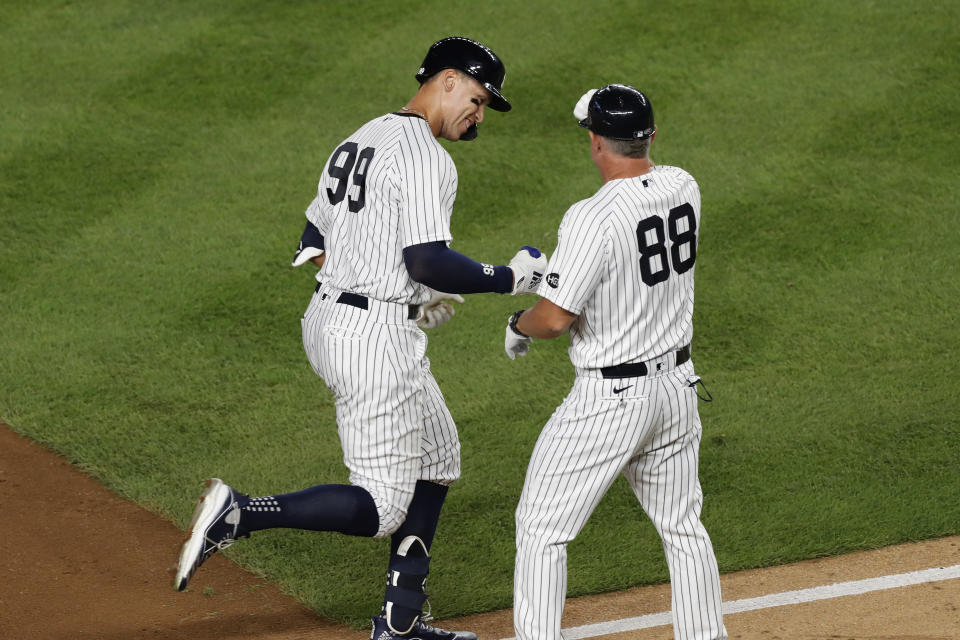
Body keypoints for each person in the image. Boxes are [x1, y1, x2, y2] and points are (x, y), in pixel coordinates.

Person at [173, 36, 548, 640]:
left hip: (332, 321)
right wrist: (511, 279)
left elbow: (312, 240)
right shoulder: (427, 157)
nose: (480, 115)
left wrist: (394, 295)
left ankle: (400, 621)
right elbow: (428, 261)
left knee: (439, 456)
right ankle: (238, 513)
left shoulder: (363, 136)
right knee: (380, 510)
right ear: (447, 80)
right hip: (371, 342)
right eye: (477, 99)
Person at [503, 84, 728, 640]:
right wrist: (559, 279)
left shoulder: (591, 217)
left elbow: (554, 320)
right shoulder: (684, 186)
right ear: (650, 135)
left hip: (612, 400)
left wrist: (517, 322)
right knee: (682, 526)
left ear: (596, 141)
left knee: (541, 529)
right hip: (677, 387)